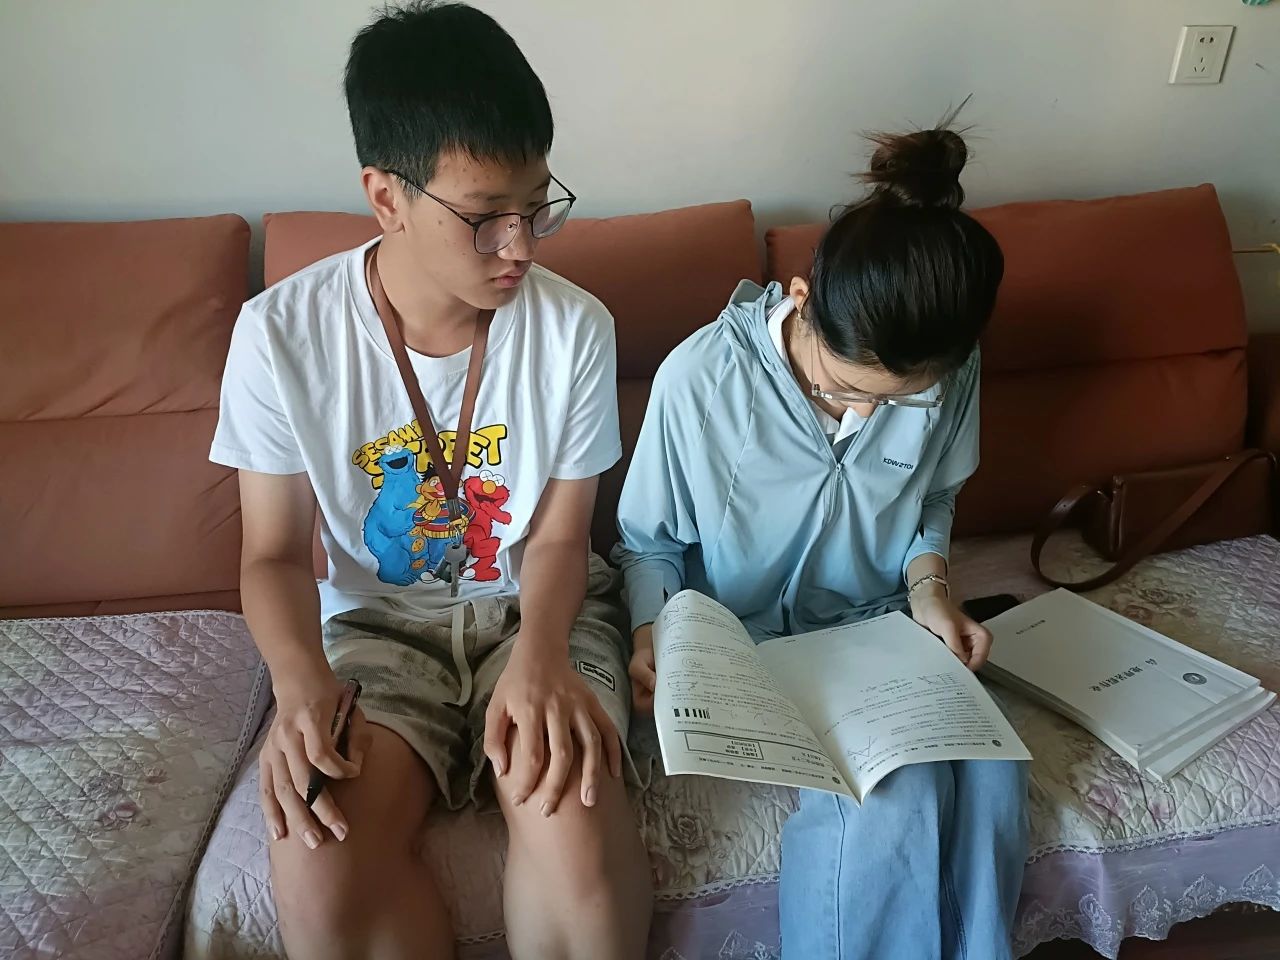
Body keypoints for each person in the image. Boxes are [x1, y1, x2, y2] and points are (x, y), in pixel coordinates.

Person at [210, 4, 650, 958]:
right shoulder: (281, 335)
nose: (521, 245)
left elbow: (562, 536)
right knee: (319, 849)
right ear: (386, 197)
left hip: (536, 609)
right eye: (485, 218)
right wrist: (300, 685)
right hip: (376, 626)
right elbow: (273, 554)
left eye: (537, 205)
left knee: (568, 805)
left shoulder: (575, 328)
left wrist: (542, 658)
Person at [613, 118, 1029, 959]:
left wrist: (931, 592)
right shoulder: (701, 379)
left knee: (994, 772)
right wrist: (651, 630)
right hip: (747, 642)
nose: (870, 414)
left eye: (902, 399)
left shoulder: (950, 368)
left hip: (877, 630)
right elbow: (647, 541)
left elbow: (934, 496)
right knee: (894, 795)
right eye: (845, 388)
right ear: (801, 298)